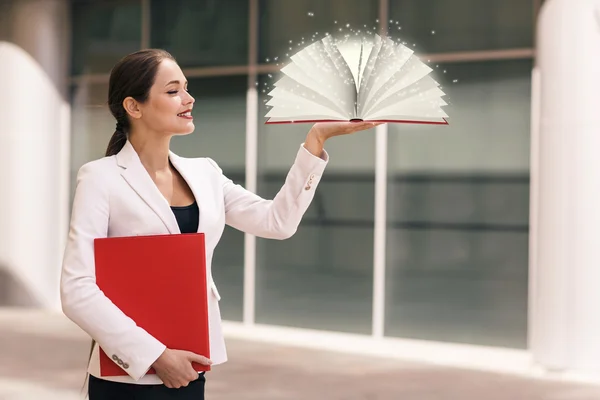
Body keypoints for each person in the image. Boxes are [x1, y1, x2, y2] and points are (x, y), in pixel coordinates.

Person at [60, 48, 381, 399]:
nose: (188, 98)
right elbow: (77, 290)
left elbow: (277, 221)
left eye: (186, 87)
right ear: (133, 107)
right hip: (127, 376)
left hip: (190, 368)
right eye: (172, 91)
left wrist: (316, 140)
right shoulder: (100, 178)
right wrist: (156, 356)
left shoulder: (205, 173)